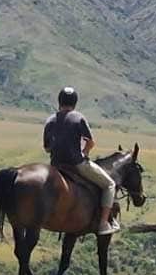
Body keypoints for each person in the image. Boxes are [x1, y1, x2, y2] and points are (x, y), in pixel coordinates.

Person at [43, 87, 118, 235]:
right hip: (77, 164)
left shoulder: (51, 120)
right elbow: (90, 142)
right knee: (110, 184)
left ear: (59, 101)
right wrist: (84, 152)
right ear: (75, 103)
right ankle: (103, 224)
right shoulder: (78, 118)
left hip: (56, 165)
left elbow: (46, 148)